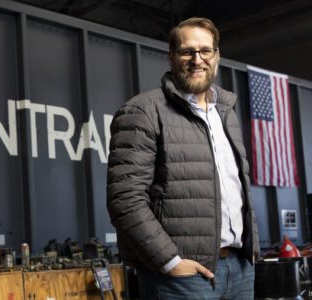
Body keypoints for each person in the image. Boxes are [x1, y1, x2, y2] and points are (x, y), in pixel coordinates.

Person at [107, 17, 260, 299]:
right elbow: (125, 199)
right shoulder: (142, 110)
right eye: (187, 51)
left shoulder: (226, 113)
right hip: (183, 279)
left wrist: (251, 252)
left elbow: (237, 191)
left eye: (205, 51)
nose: (197, 59)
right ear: (172, 57)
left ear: (217, 55)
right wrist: (170, 262)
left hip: (240, 269)